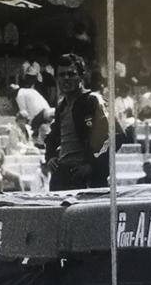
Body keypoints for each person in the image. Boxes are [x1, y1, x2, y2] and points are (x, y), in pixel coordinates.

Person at [45, 54, 114, 190]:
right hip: (63, 174)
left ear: (81, 76)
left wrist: (93, 165)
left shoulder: (93, 101)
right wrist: (50, 156)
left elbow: (115, 135)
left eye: (71, 74)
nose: (66, 78)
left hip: (84, 175)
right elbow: (52, 137)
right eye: (62, 75)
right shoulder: (61, 106)